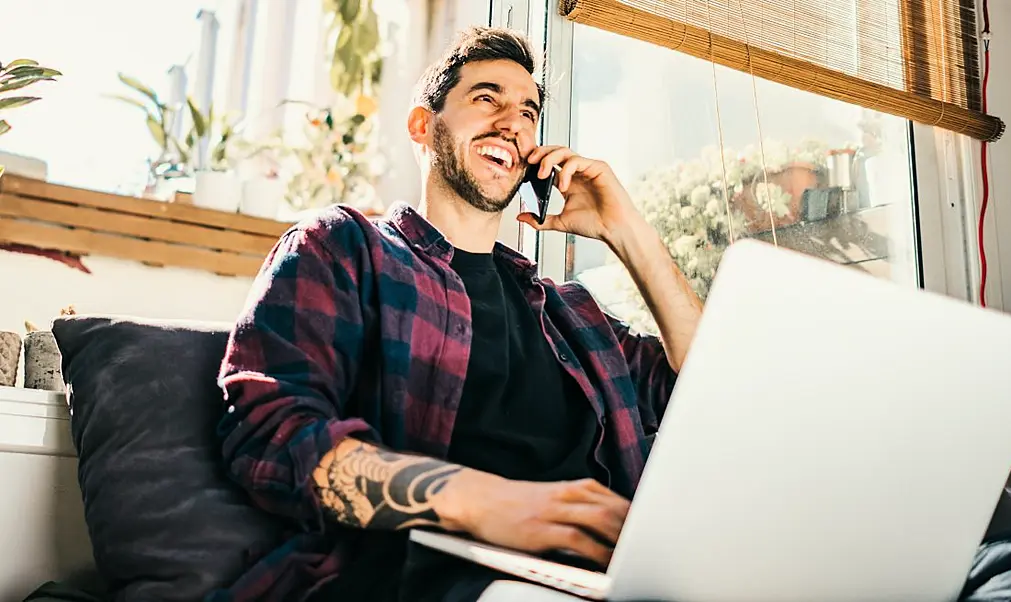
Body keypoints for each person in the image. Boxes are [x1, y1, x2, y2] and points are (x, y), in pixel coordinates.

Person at [212, 25, 703, 602]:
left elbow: (707, 401)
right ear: (424, 126)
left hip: (606, 582)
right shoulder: (343, 248)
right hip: (419, 578)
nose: (512, 124)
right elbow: (271, 438)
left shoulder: (572, 314)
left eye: (528, 112)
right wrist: (483, 502)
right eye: (486, 99)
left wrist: (628, 232)